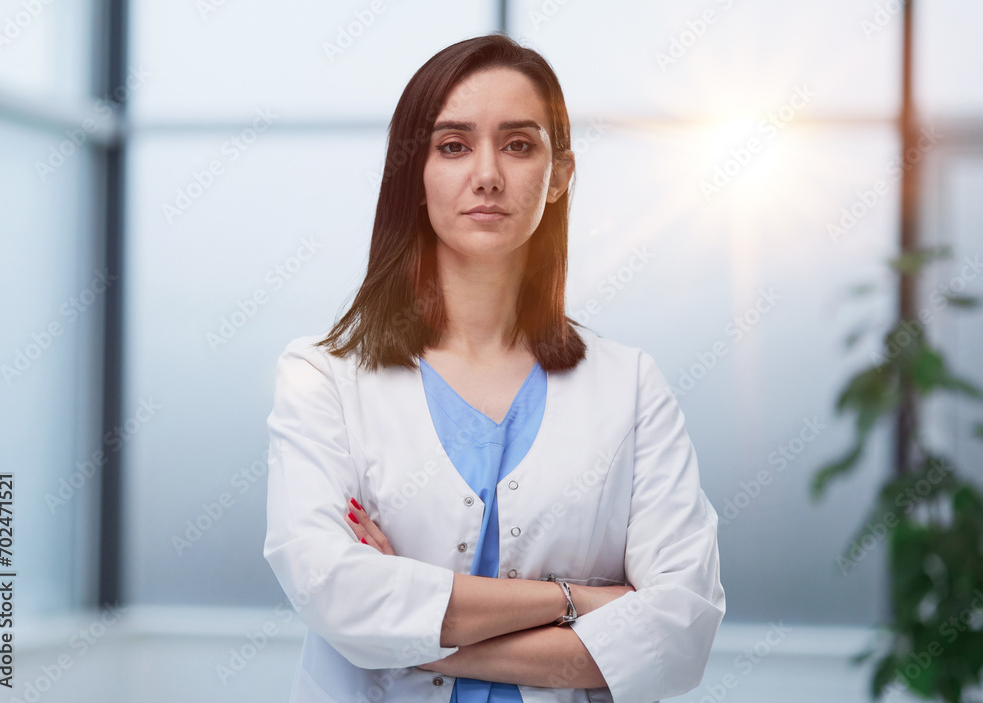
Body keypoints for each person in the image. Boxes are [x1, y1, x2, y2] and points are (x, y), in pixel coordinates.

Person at [263, 32, 725, 703]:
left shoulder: (629, 385)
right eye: (453, 146)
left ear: (560, 174)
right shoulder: (322, 376)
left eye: (518, 145)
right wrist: (576, 600)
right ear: (414, 173)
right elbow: (332, 591)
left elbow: (679, 633)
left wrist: (409, 631)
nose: (486, 175)